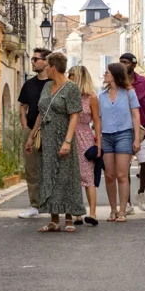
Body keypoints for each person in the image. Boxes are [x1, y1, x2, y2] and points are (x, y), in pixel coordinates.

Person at [26, 51, 87, 233]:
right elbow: (41, 112)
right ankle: (53, 220)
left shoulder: (71, 88)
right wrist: (31, 136)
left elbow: (75, 115)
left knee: (65, 177)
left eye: (47, 67)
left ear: (53, 67)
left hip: (63, 136)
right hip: (47, 138)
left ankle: (68, 218)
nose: (46, 70)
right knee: (48, 176)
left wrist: (67, 141)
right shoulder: (47, 87)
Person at [119, 53, 145, 212]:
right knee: (124, 167)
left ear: (134, 65)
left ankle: (141, 192)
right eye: (121, 62)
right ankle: (127, 202)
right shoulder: (116, 84)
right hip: (123, 130)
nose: (123, 65)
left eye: (126, 62)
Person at [98, 62, 141, 223]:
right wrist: (98, 140)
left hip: (124, 134)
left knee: (122, 175)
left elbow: (136, 116)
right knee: (109, 175)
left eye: (107, 72)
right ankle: (113, 209)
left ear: (115, 74)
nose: (105, 74)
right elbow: (99, 119)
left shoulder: (129, 93)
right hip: (106, 136)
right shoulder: (101, 96)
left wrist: (136, 138)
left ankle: (123, 210)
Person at [17, 47, 51, 219]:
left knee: (52, 167)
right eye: (33, 59)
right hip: (30, 129)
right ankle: (34, 205)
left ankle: (53, 204)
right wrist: (25, 128)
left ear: (46, 61)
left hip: (51, 130)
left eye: (36, 59)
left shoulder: (54, 83)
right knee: (31, 169)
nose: (33, 62)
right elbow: (23, 107)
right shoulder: (29, 84)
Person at [68, 64, 102, 226]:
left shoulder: (91, 97)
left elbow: (97, 121)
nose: (68, 78)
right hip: (69, 136)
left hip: (85, 137)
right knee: (72, 176)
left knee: (88, 177)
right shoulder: (68, 95)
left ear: (79, 77)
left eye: (71, 75)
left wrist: (99, 144)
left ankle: (93, 213)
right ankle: (77, 214)